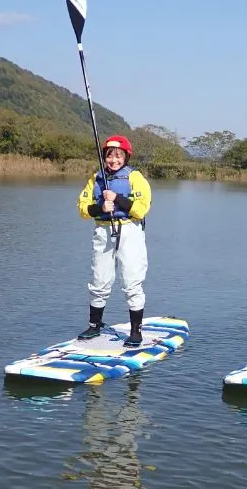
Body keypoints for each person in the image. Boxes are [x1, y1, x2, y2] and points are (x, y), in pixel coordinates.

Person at [76, 135, 152, 347]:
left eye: (118, 156)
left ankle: (136, 331)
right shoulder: (95, 179)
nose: (113, 160)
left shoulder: (135, 178)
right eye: (109, 155)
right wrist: (99, 207)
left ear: (126, 157)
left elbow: (142, 208)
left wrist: (117, 199)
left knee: (131, 281)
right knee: (99, 280)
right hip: (103, 231)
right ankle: (94, 325)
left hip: (129, 231)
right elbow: (82, 209)